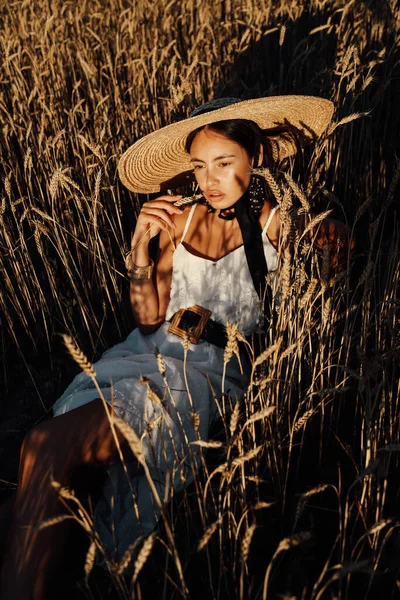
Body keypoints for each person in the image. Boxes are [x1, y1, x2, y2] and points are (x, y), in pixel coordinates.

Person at [0, 95, 335, 599]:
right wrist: (140, 247)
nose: (210, 179)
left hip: (204, 375)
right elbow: (148, 317)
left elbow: (334, 269)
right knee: (36, 483)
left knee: (46, 447)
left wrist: (329, 235)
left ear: (257, 156)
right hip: (140, 353)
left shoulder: (276, 223)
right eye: (200, 167)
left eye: (225, 163)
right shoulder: (179, 219)